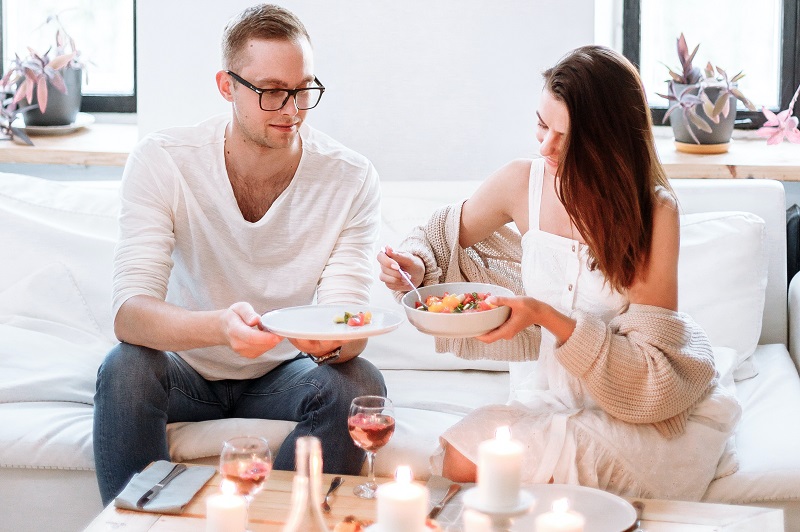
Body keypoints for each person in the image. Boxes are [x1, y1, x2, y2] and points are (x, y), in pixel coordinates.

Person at [378, 45, 741, 500]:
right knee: (458, 456)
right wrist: (414, 262)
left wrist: (544, 315)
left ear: (606, 140)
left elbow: (650, 374)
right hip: (545, 401)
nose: (546, 146)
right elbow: (439, 234)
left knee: (489, 470)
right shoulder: (521, 182)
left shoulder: (654, 213)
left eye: (566, 137)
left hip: (630, 414)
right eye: (541, 124)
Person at [94, 3, 385, 505]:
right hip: (185, 369)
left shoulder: (351, 177)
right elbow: (129, 313)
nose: (292, 109)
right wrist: (218, 328)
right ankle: (140, 522)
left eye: (303, 89)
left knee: (356, 381)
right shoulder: (165, 160)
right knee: (126, 368)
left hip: (282, 372)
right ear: (227, 86)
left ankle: (277, 519)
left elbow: (346, 314)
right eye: (271, 91)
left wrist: (333, 340)